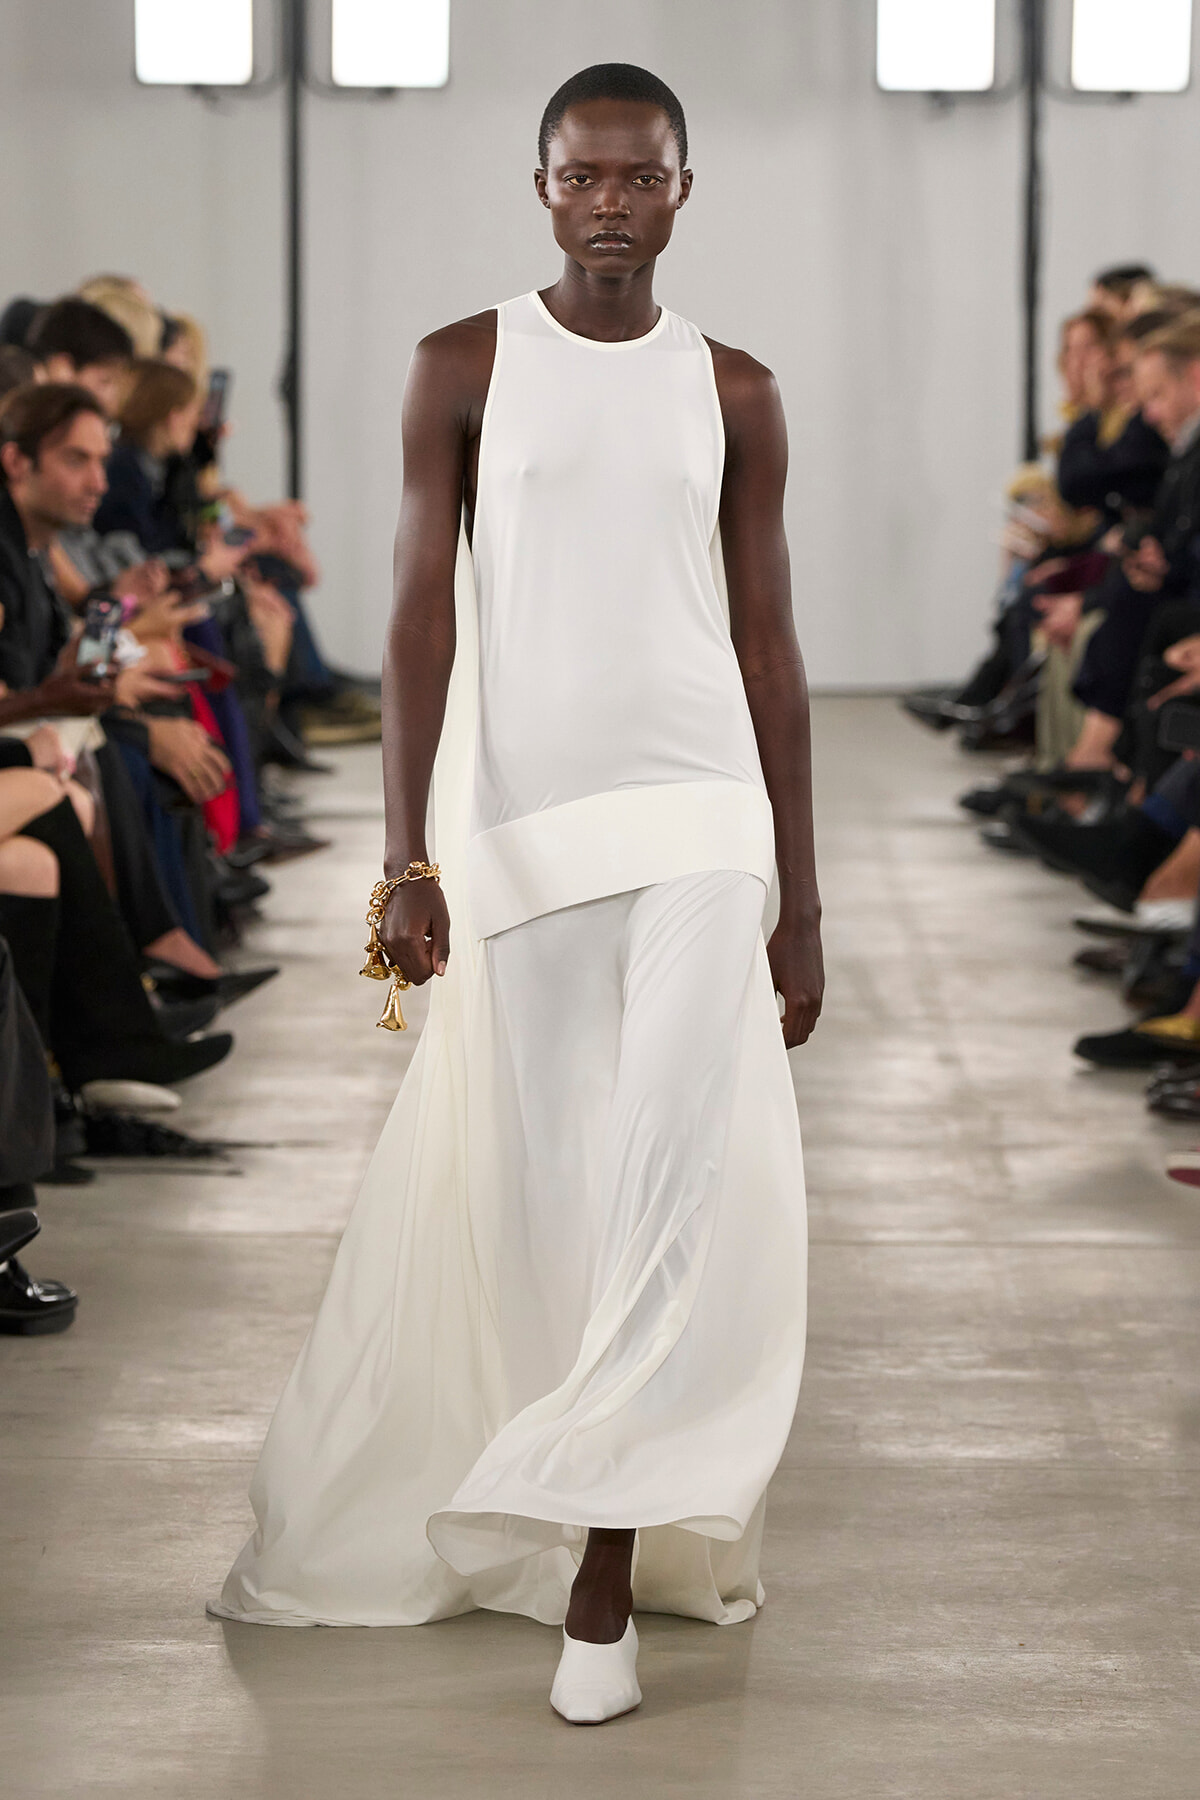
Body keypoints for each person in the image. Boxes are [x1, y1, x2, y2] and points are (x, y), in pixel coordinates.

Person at [211, 63, 820, 1725]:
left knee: (669, 1177)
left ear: (685, 189)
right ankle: (568, 1505)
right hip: (530, 832)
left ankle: (608, 1579)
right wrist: (406, 855)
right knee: (558, 1192)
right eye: (583, 177)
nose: (612, 203)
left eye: (643, 178)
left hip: (703, 817)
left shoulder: (740, 389)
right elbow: (419, 620)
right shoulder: (463, 366)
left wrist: (804, 899)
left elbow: (768, 646)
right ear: (540, 186)